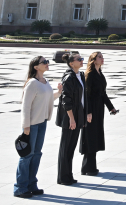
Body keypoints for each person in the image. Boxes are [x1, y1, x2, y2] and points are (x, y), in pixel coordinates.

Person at [14, 56, 62, 199]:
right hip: (32, 124)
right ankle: (20, 188)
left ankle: (31, 185)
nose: (47, 64)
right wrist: (25, 125)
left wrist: (58, 93)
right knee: (27, 155)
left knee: (37, 154)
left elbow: (47, 98)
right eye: (44, 62)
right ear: (36, 67)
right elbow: (25, 105)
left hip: (42, 122)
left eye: (47, 62)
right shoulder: (32, 83)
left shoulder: (45, 82)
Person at [80, 51, 118, 175]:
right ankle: (88, 168)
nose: (102, 59)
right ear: (93, 60)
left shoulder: (100, 74)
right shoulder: (89, 75)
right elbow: (87, 95)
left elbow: (103, 93)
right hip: (91, 110)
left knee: (95, 136)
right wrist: (88, 112)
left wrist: (111, 107)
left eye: (102, 57)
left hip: (99, 109)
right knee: (90, 136)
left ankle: (88, 167)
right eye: (99, 57)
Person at [55, 53, 86, 185]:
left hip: (78, 115)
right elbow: (66, 101)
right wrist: (72, 119)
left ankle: (68, 175)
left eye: (82, 58)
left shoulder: (80, 75)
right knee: (66, 147)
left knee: (71, 147)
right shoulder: (69, 77)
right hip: (69, 117)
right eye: (79, 59)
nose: (81, 61)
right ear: (71, 63)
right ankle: (63, 177)